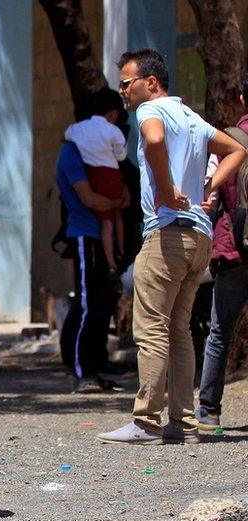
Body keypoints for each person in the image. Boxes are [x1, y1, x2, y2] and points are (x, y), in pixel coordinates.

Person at [98, 49, 246, 445]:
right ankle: (182, 422)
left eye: (127, 83)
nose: (123, 91)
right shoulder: (192, 116)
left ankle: (146, 421)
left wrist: (165, 188)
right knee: (180, 330)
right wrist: (208, 189)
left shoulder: (150, 111)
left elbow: (154, 140)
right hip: (200, 237)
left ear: (151, 82)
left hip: (166, 233)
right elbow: (237, 150)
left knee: (151, 330)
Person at [56, 89, 132, 394]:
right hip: (86, 233)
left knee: (101, 303)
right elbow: (89, 198)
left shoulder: (94, 153)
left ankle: (96, 366)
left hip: (101, 235)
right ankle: (80, 370)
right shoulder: (73, 152)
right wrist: (115, 201)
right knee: (87, 304)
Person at [197, 74, 248, 432]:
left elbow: (210, 199)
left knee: (220, 332)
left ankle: (209, 410)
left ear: (243, 99)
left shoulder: (229, 140)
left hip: (236, 250)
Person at [64, 92, 128, 280]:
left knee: (106, 224)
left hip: (94, 176)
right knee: (118, 215)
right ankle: (122, 251)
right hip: (111, 175)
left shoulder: (77, 129)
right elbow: (121, 155)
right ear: (113, 114)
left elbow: (66, 135)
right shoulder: (112, 131)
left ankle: (110, 263)